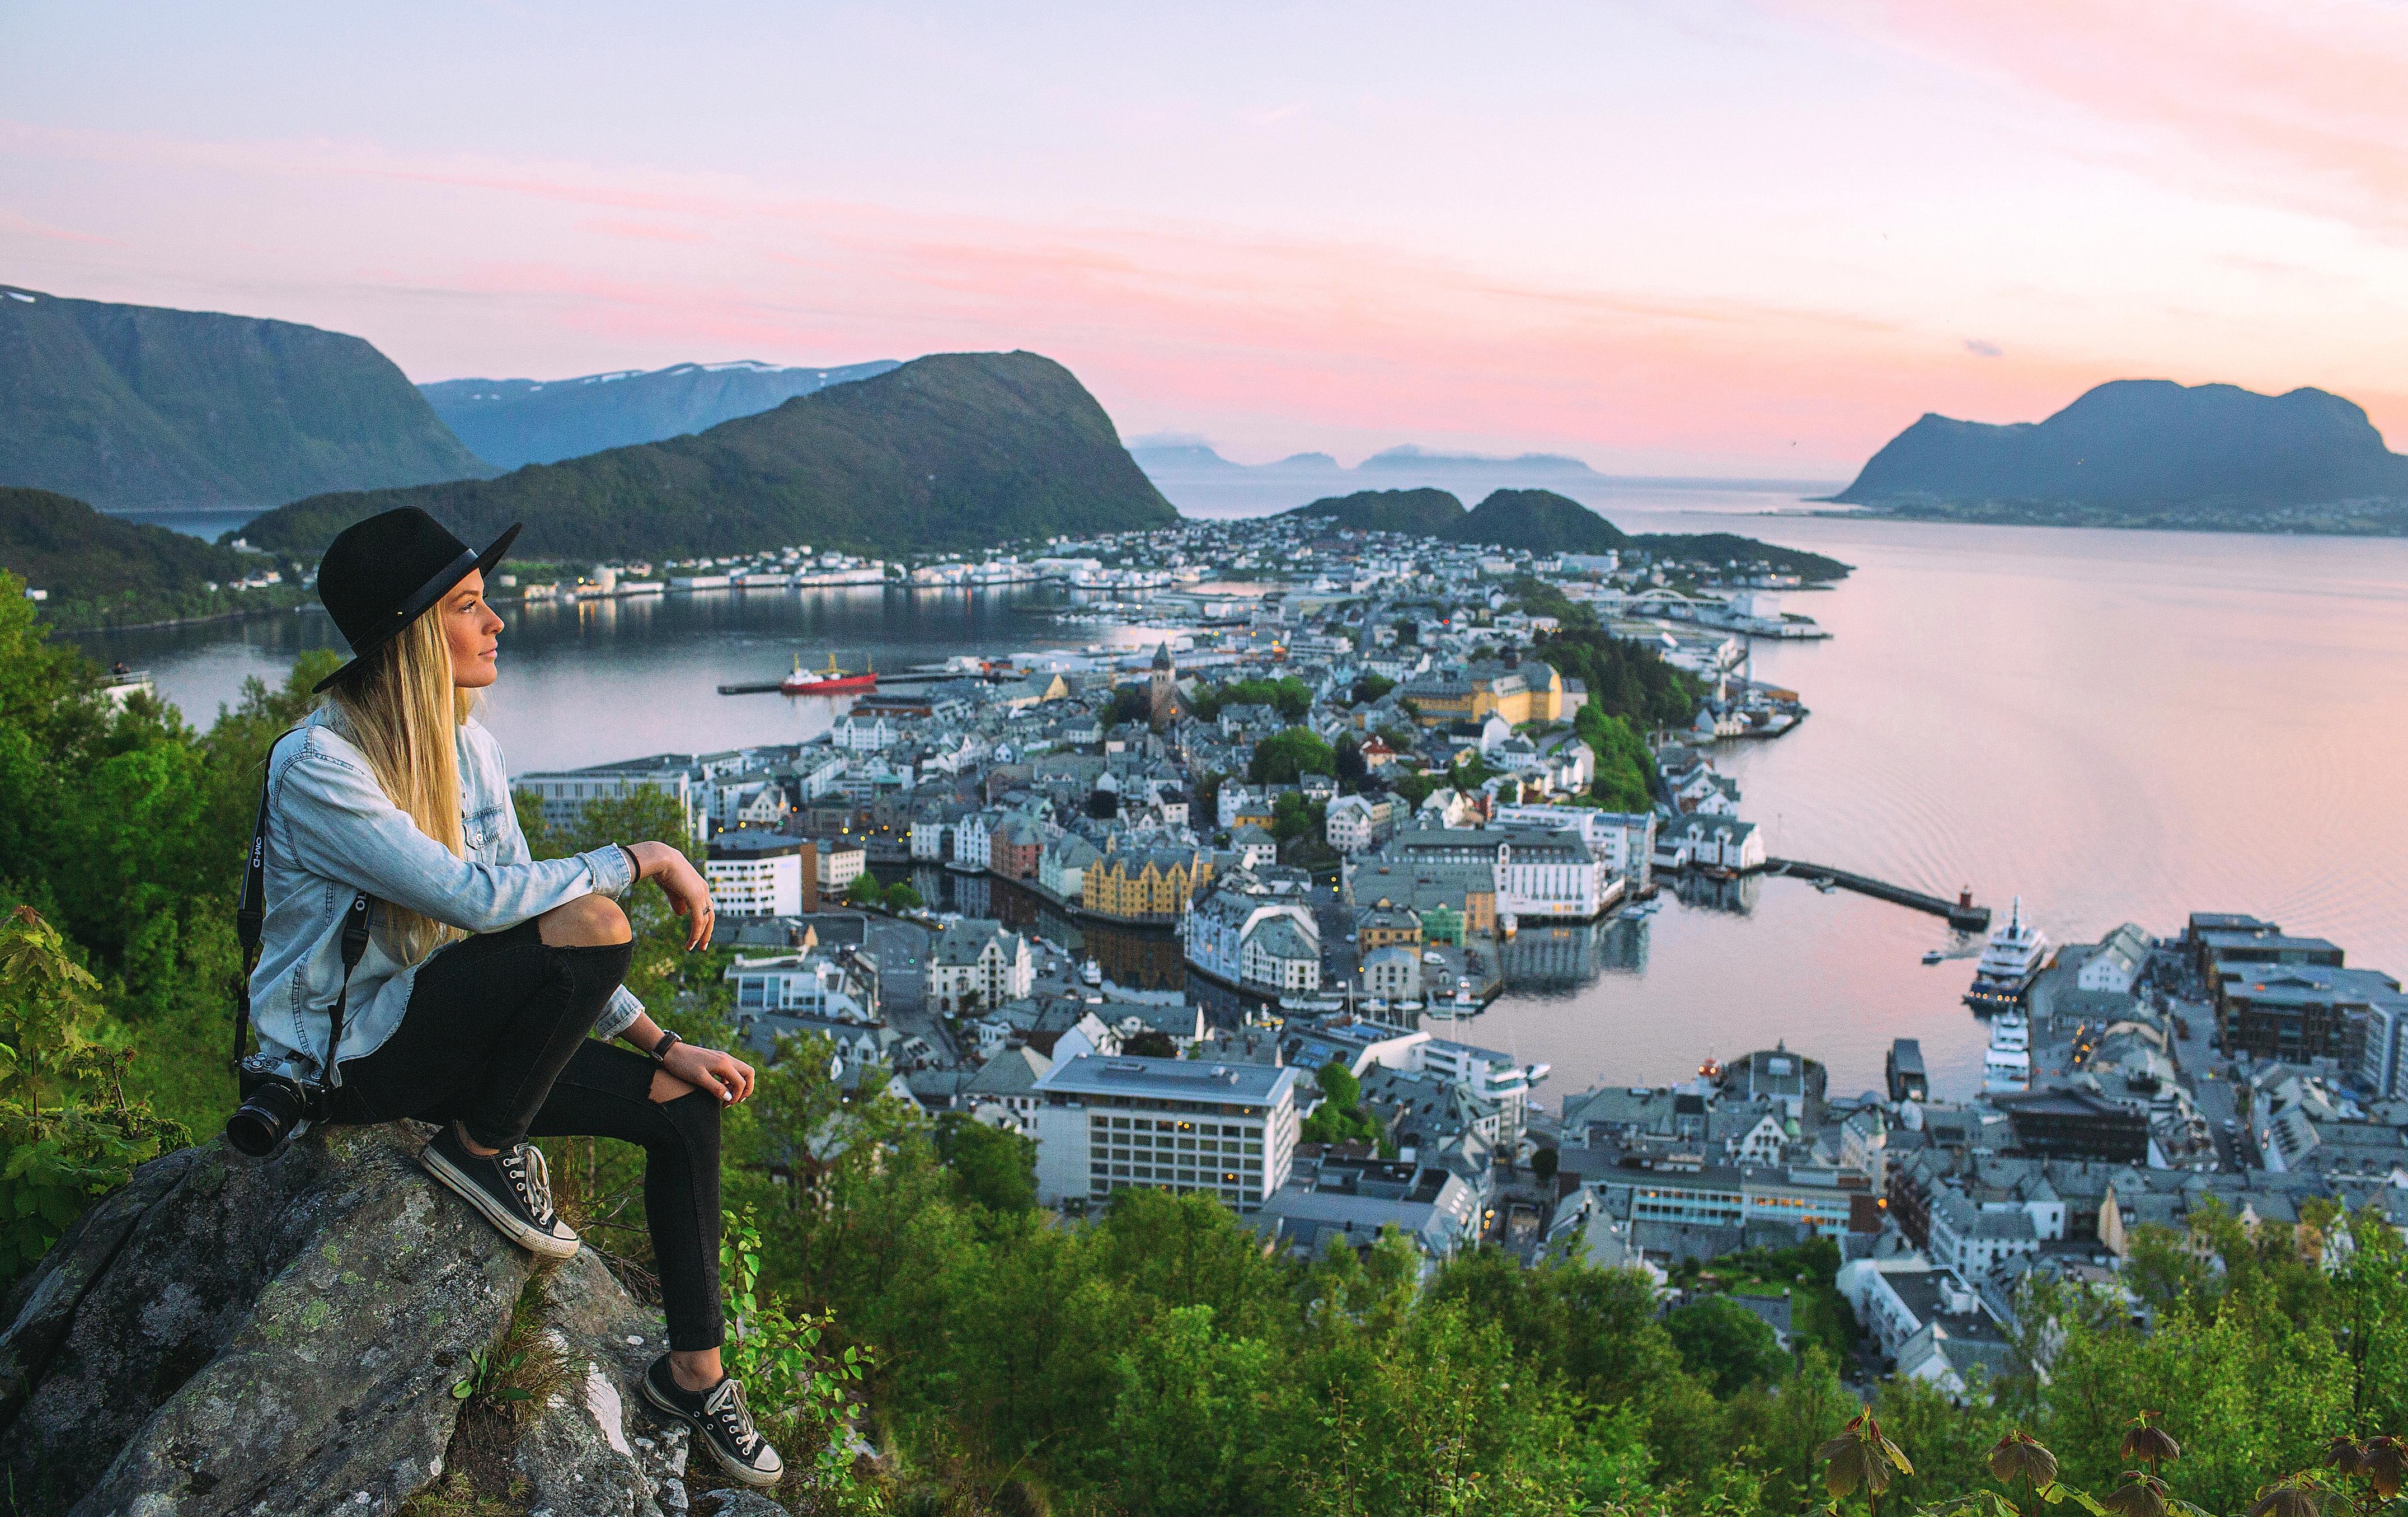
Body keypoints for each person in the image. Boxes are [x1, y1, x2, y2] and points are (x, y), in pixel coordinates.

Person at [245, 507, 781, 1488]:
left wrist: (664, 1046)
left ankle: (691, 1377)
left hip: (447, 1030)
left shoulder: (470, 750)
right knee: (602, 918)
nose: (497, 623)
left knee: (687, 1106)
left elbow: (529, 925)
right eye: (469, 606)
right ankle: (482, 1150)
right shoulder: (322, 766)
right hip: (354, 1058)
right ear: (414, 635)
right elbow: (480, 901)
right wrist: (642, 855)